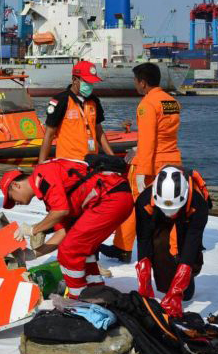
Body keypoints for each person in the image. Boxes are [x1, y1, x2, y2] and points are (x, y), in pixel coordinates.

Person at [0, 158, 133, 298]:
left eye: (11, 198)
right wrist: (33, 254)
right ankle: (96, 291)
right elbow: (62, 233)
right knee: (81, 250)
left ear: (15, 185)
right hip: (113, 198)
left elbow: (60, 211)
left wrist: (33, 229)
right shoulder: (49, 195)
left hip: (110, 198)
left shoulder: (43, 173)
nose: (15, 203)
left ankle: (79, 300)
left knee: (69, 251)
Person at [102, 62, 183, 263]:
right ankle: (174, 250)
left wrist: (141, 172)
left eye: (136, 81)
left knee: (132, 206)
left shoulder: (147, 105)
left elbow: (148, 141)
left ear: (143, 83)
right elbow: (165, 136)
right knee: (171, 209)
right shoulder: (171, 102)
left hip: (152, 165)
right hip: (172, 162)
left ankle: (123, 248)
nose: (135, 84)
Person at [135, 166, 210, 317]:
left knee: (187, 252)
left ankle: (183, 283)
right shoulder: (144, 200)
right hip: (157, 214)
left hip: (187, 216)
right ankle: (166, 282)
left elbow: (192, 243)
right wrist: (145, 285)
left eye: (173, 211)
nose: (171, 215)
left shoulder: (198, 204)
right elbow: (144, 240)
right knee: (159, 244)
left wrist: (176, 293)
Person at [38, 61, 114, 163]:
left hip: (91, 162)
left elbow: (99, 132)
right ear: (74, 79)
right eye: (86, 82)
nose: (89, 85)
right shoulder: (61, 101)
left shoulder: (94, 101)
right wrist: (41, 164)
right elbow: (49, 134)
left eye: (91, 82)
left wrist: (114, 158)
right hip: (68, 163)